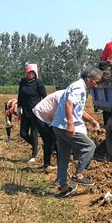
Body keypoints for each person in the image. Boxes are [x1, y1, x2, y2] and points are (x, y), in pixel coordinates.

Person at [51, 67, 102, 199]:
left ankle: (62, 185)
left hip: (58, 125)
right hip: (64, 126)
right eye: (95, 82)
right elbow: (69, 104)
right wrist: (70, 124)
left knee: (64, 155)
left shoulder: (78, 87)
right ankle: (78, 174)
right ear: (89, 78)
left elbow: (77, 110)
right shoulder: (79, 88)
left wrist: (92, 120)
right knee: (89, 146)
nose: (95, 86)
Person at [17, 63, 47, 163]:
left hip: (35, 112)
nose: (30, 74)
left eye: (32, 73)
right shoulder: (23, 82)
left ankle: (34, 155)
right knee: (23, 133)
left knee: (34, 133)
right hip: (25, 112)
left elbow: (45, 97)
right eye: (29, 72)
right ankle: (36, 146)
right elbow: (20, 95)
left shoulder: (38, 83)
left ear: (35, 73)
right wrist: (18, 107)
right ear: (26, 73)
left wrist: (44, 110)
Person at [32, 89, 66, 172]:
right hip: (40, 115)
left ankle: (59, 163)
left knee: (54, 139)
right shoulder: (62, 96)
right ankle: (48, 165)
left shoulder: (66, 94)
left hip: (47, 116)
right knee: (49, 139)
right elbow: (53, 116)